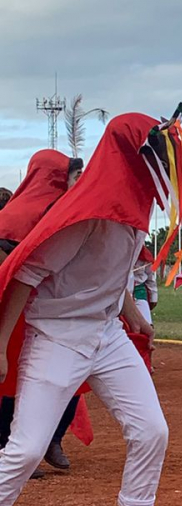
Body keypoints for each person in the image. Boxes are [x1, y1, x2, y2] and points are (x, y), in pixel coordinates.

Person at [0, 111, 182, 506]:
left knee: (152, 431)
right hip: (57, 336)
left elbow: (116, 274)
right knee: (26, 449)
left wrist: (133, 317)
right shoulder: (85, 212)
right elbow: (27, 274)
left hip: (106, 334)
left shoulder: (134, 210)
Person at [0, 151, 85, 471]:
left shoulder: (69, 214)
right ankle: (11, 445)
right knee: (14, 382)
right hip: (17, 311)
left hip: (57, 311)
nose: (78, 182)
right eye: (74, 175)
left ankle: (52, 438)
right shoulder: (11, 217)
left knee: (74, 379)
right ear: (53, 176)